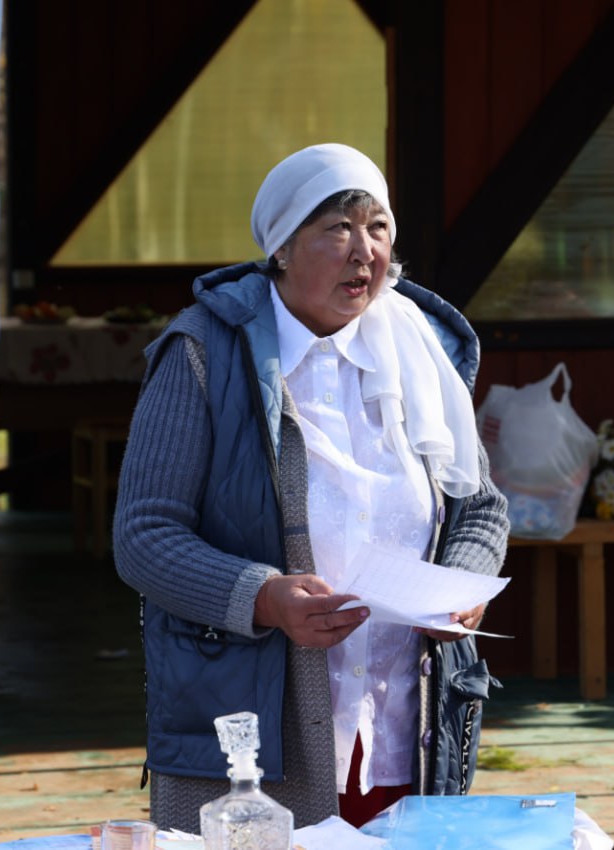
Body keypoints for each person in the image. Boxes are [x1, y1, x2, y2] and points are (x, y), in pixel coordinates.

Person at [113, 143, 509, 832]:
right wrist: (262, 597)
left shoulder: (419, 351)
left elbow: (478, 506)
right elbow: (144, 535)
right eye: (337, 228)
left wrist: (460, 585)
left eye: (378, 227)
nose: (365, 252)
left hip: (402, 730)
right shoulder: (204, 352)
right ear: (283, 250)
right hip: (252, 739)